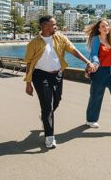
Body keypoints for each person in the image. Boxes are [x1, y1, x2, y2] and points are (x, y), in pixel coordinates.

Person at [24, 15, 96, 149]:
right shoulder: (33, 43)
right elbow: (28, 63)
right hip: (40, 76)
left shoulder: (60, 37)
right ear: (45, 26)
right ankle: (49, 137)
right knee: (47, 106)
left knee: (57, 100)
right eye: (54, 24)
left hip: (57, 74)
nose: (56, 26)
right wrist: (28, 83)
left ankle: (45, 116)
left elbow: (73, 50)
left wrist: (87, 62)